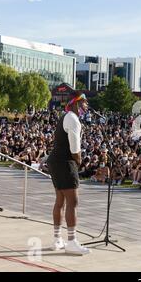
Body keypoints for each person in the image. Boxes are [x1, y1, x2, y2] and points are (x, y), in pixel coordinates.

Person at [46, 92, 90, 255]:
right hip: (65, 162)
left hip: (55, 161)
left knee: (60, 200)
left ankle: (57, 240)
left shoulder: (66, 116)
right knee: (73, 201)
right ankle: (71, 242)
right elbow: (75, 149)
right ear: (76, 103)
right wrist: (78, 163)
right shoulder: (73, 118)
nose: (86, 106)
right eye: (84, 102)